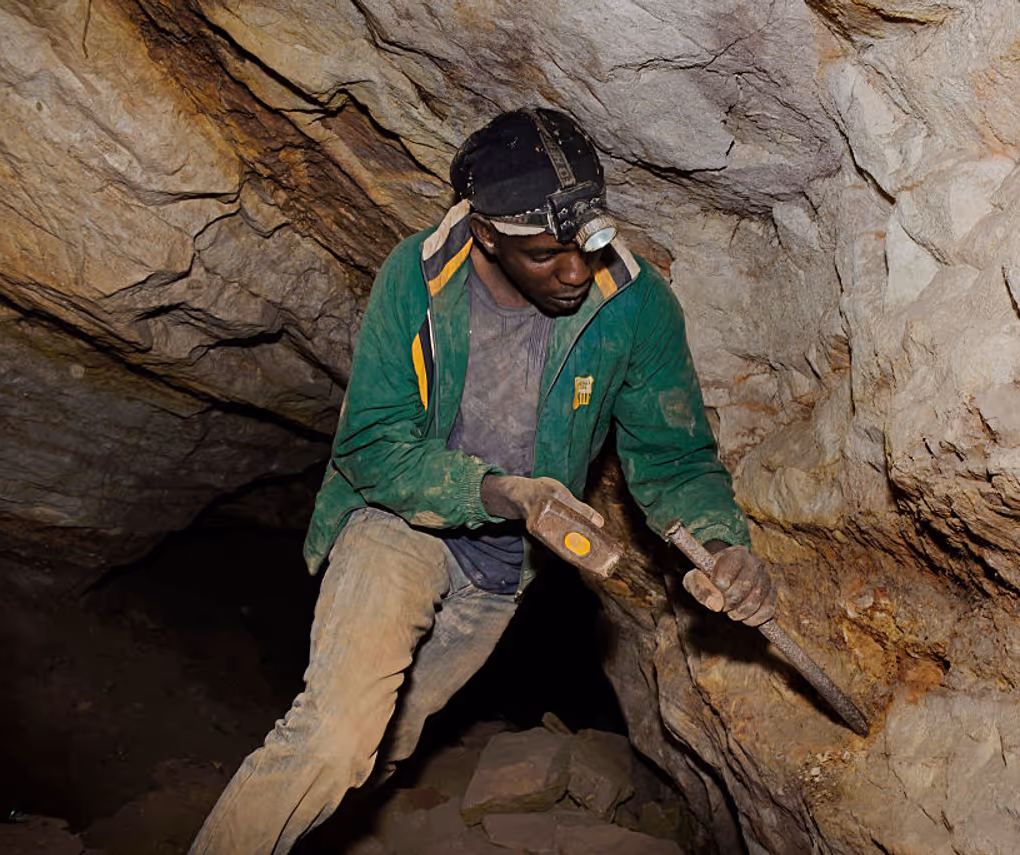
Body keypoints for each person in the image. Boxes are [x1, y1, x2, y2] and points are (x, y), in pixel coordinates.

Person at [189, 108, 776, 854]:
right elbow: (371, 444)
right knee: (333, 741)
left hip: (501, 571)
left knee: (386, 748)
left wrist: (722, 544)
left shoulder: (634, 306)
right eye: (545, 254)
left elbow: (674, 457)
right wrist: (502, 492)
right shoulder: (420, 278)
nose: (574, 272)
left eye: (589, 244)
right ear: (487, 235)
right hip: (401, 523)